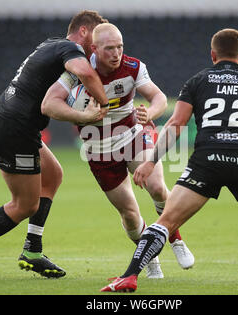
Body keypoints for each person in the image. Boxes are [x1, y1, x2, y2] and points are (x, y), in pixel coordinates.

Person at [101, 28, 238, 292]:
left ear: (213, 55)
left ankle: (130, 276)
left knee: (166, 221)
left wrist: (151, 161)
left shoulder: (198, 81)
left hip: (207, 160)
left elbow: (176, 124)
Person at [0, 10, 109, 279]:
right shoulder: (70, 48)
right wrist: (103, 105)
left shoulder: (51, 44)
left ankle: (33, 250)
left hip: (14, 126)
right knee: (25, 205)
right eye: (94, 38)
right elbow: (84, 72)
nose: (95, 46)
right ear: (83, 31)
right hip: (15, 130)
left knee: (53, 176)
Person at [42, 23, 195, 278]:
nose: (117, 54)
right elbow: (48, 105)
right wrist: (82, 116)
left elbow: (159, 98)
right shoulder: (76, 70)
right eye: (110, 48)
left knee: (157, 187)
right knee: (130, 214)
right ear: (94, 49)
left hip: (133, 135)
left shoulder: (133, 67)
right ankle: (149, 258)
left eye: (120, 47)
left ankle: (176, 239)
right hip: (98, 149)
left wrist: (151, 112)